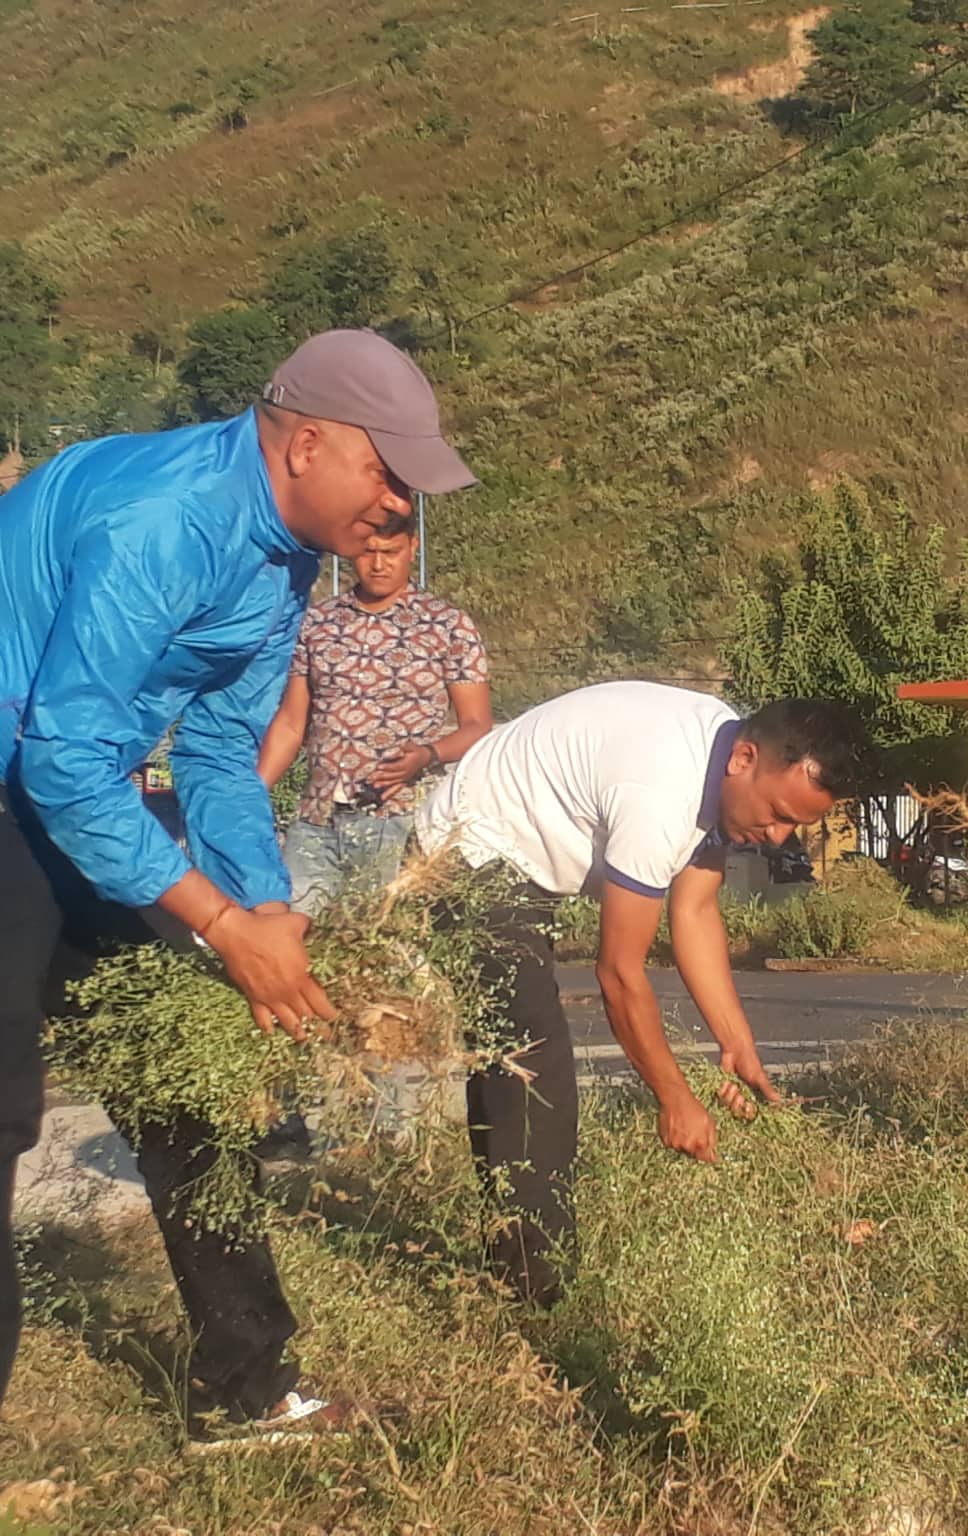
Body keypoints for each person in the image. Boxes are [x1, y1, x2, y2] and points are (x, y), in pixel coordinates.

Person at [0, 328, 475, 1429]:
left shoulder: (281, 562)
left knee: (185, 1086)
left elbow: (217, 752)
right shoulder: (163, 520)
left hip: (79, 792)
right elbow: (62, 757)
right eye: (386, 472)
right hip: (30, 783)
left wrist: (265, 910)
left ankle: (244, 1389)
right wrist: (216, 919)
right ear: (306, 444)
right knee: (4, 1110)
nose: (399, 504)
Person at [415, 685, 866, 1303]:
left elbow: (696, 911)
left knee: (516, 1056)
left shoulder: (723, 761)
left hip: (517, 858)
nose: (781, 837)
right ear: (745, 759)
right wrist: (674, 1098)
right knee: (530, 1064)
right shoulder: (660, 794)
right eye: (779, 813)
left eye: (797, 825)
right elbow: (619, 975)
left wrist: (737, 1043)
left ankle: (518, 1266)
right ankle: (533, 1295)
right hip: (464, 852)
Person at [258, 522, 492, 917]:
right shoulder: (318, 623)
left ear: (413, 547)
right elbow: (291, 723)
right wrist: (253, 791)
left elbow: (477, 726)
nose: (379, 565)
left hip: (398, 822)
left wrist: (427, 754)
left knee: (381, 945)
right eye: (368, 553)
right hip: (317, 820)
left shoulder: (448, 625)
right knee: (293, 935)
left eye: (391, 553)